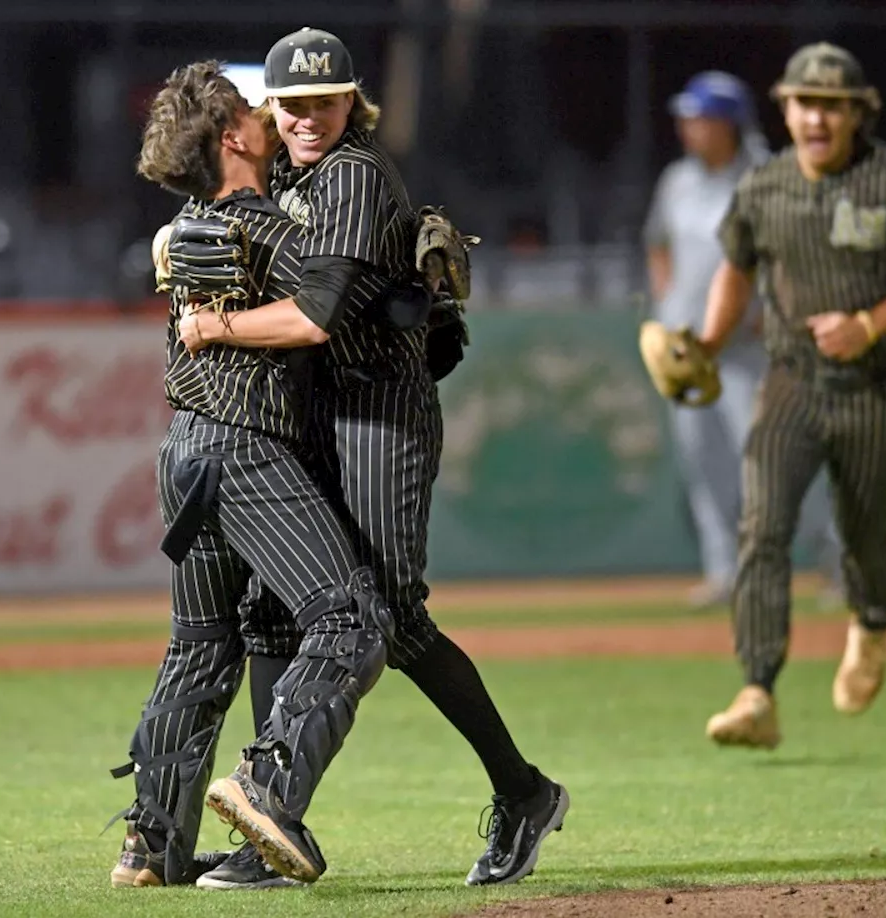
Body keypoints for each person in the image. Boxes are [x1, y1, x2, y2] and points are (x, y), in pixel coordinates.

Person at [177, 27, 568, 889]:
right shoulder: (284, 174)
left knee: (388, 613)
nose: (310, 117)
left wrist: (213, 325)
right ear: (270, 110)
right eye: (294, 104)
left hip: (378, 412)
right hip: (314, 409)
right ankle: (268, 829)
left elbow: (315, 318)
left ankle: (523, 792)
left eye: (326, 101)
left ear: (353, 102)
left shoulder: (353, 175)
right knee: (287, 607)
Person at [108, 60, 395, 890]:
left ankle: (151, 846)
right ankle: (269, 788)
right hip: (242, 454)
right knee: (350, 621)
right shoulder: (268, 229)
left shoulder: (191, 224)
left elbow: (182, 249)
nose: (271, 112)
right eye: (251, 107)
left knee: (202, 644)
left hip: (184, 454)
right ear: (233, 136)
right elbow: (322, 306)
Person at [697, 43, 886, 749]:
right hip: (789, 382)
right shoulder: (763, 187)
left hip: (873, 387)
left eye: (833, 106)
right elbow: (736, 269)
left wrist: (871, 323)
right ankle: (757, 689)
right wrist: (705, 343)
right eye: (804, 103)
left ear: (859, 113)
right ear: (784, 110)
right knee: (762, 529)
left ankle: (872, 621)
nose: (817, 118)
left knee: (861, 530)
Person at [644, 71, 843, 611]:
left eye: (699, 118)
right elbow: (657, 243)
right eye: (686, 118)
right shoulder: (677, 181)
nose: (688, 128)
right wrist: (665, 304)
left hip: (751, 351)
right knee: (703, 465)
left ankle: (837, 563)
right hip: (690, 353)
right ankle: (723, 573)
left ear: (728, 124)